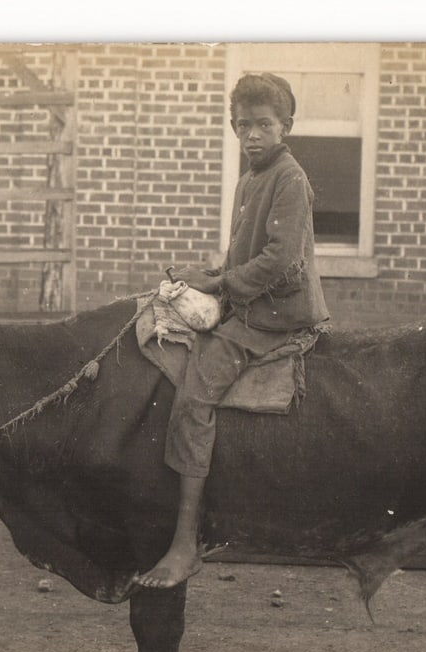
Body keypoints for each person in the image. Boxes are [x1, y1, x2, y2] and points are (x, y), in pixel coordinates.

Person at [135, 73, 331, 589]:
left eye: (264, 124)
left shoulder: (290, 179)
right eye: (243, 125)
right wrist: (207, 277)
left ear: (285, 126)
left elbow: (280, 262)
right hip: (247, 304)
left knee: (193, 400)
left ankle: (184, 544)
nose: (253, 135)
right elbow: (243, 252)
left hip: (276, 315)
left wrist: (220, 285)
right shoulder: (248, 179)